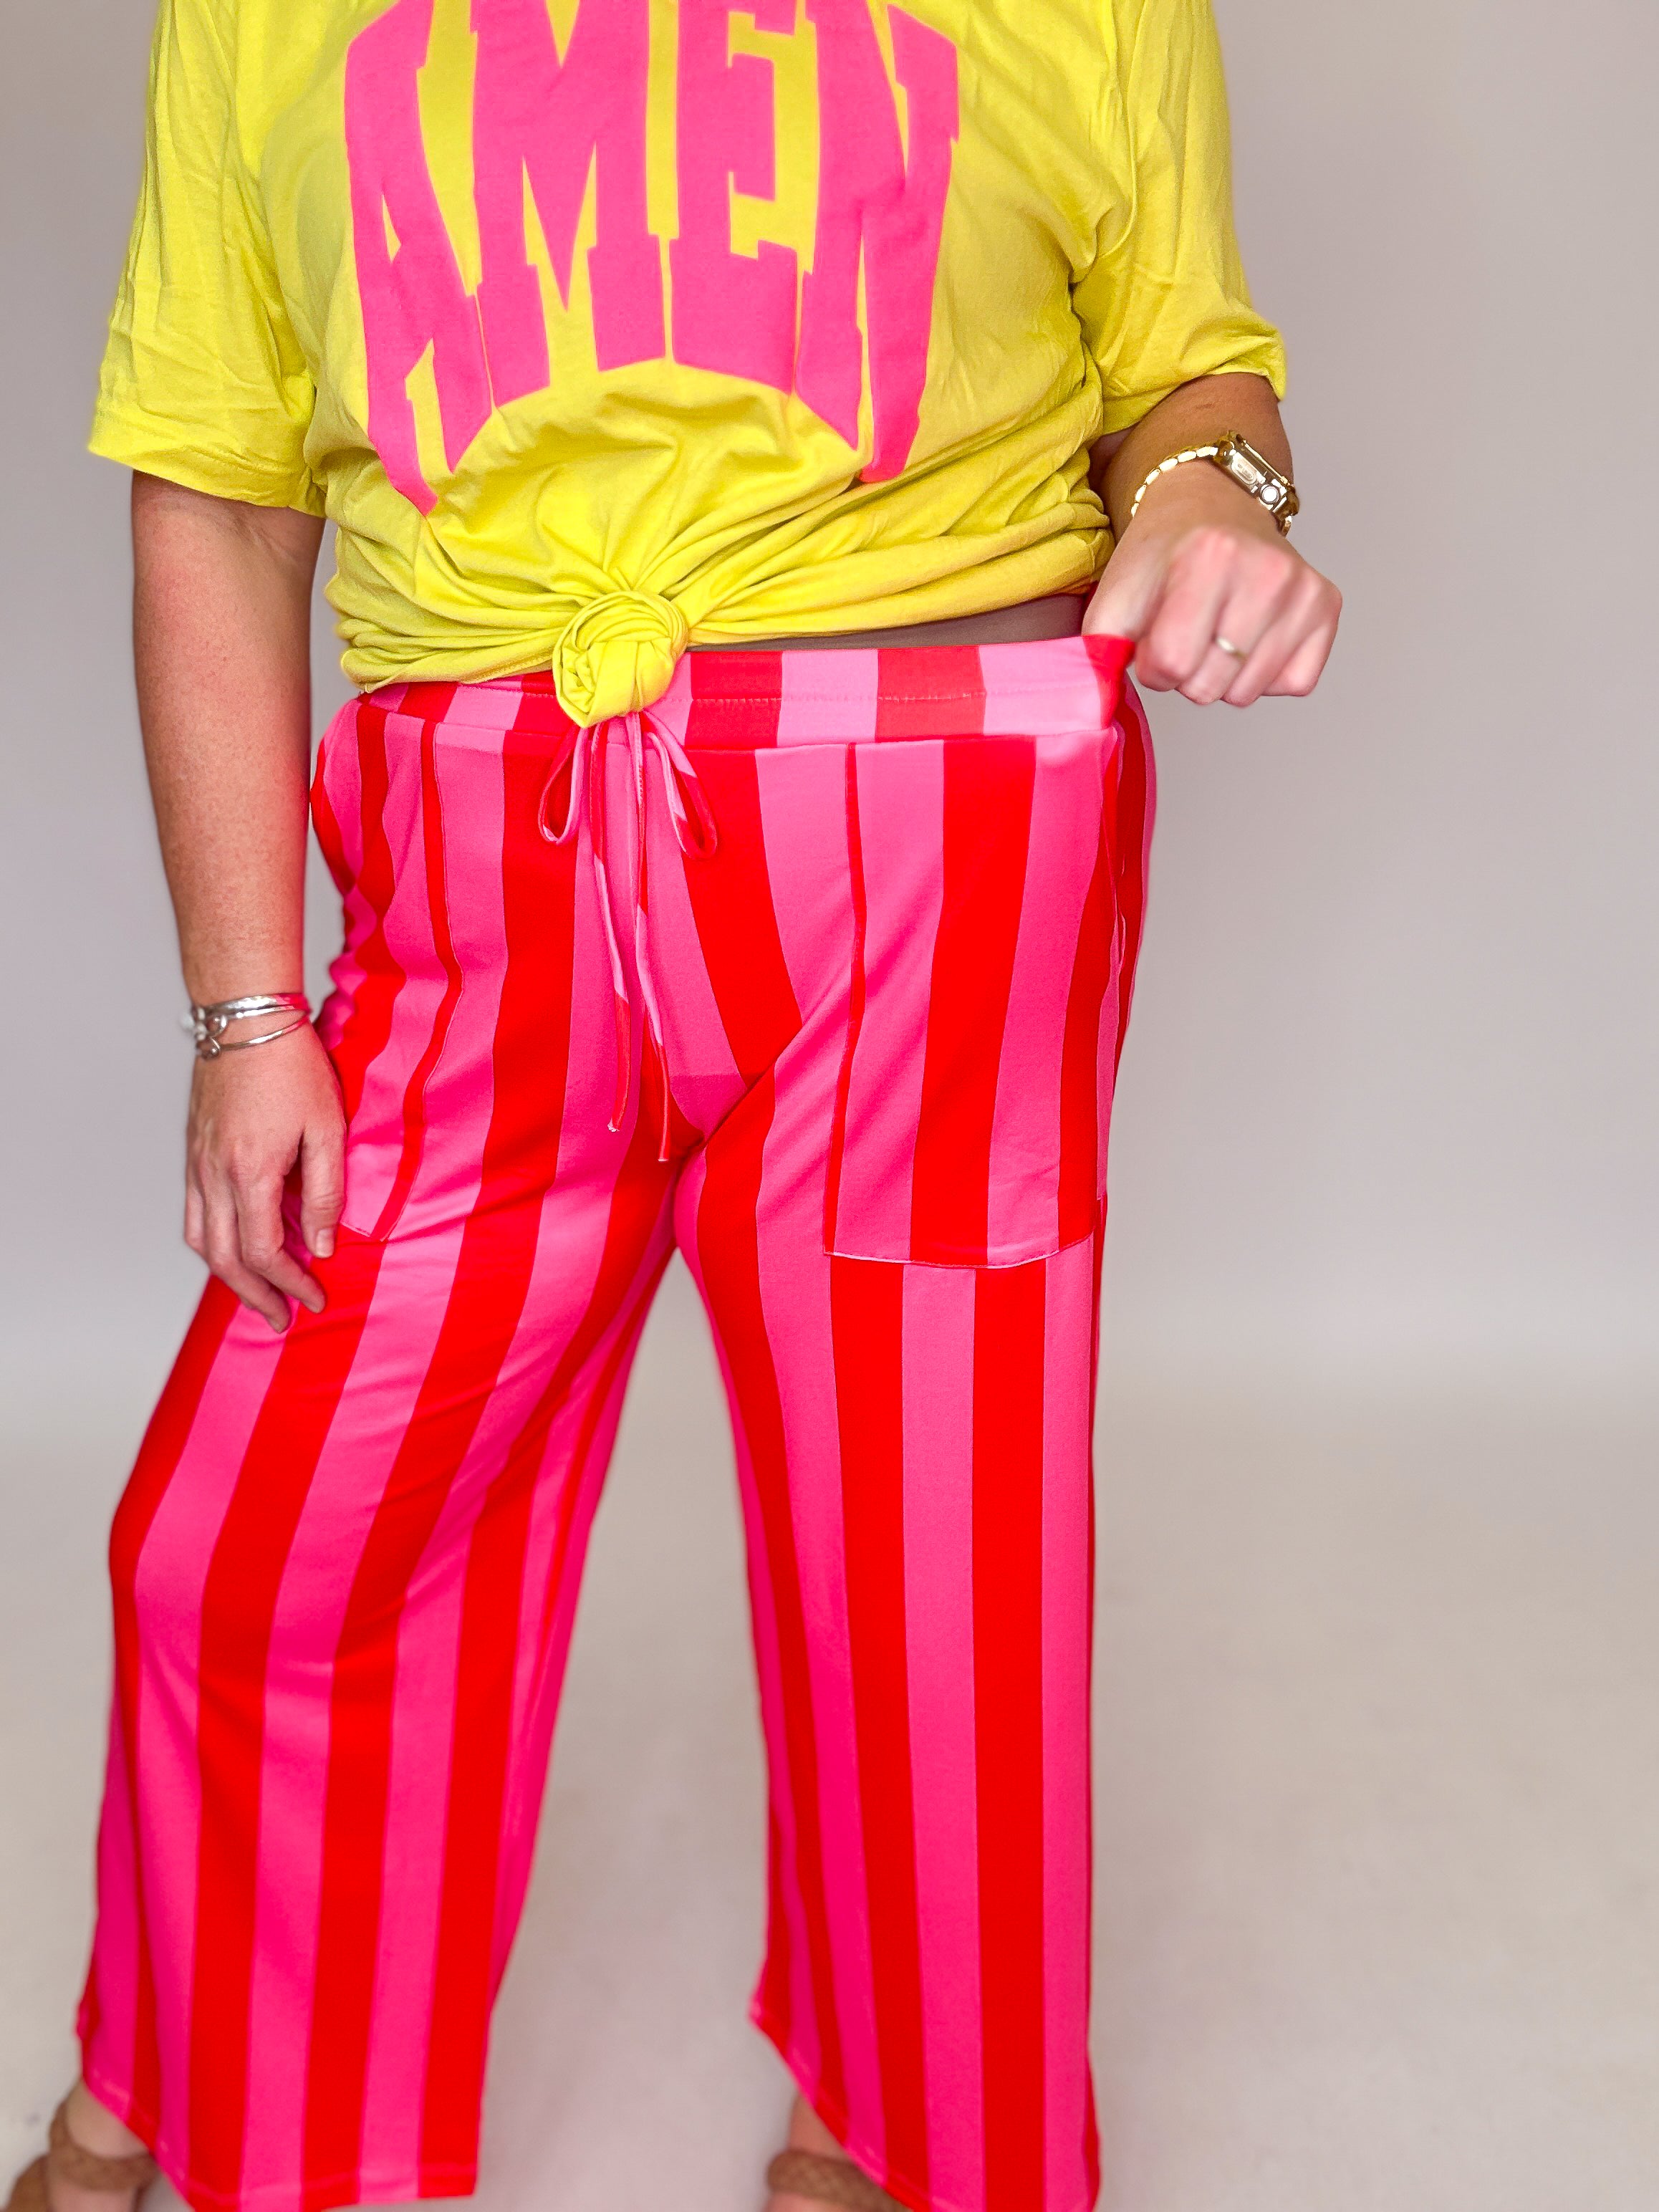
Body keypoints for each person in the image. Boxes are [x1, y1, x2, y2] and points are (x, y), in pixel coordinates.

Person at [8, 2, 1340, 2211]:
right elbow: (219, 507)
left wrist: (1219, 489)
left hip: (930, 831)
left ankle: (917, 2135)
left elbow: (1186, 366)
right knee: (250, 1555)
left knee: (931, 1555)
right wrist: (247, 1015)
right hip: (477, 841)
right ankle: (235, 2084)